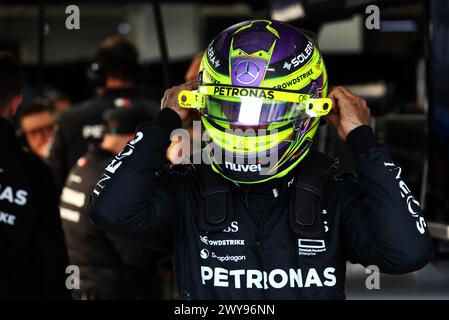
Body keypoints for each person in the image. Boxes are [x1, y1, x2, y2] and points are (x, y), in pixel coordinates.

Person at [88, 20, 433, 299]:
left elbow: (407, 252)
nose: (246, 126)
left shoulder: (333, 195)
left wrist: (362, 139)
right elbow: (110, 209)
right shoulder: (188, 192)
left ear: (312, 110)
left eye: (266, 110)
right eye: (232, 108)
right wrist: (165, 121)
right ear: (201, 103)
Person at [60, 107, 162, 299]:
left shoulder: (85, 163)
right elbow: (134, 253)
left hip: (82, 281)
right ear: (135, 140)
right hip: (110, 287)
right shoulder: (112, 177)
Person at [0, 52, 70, 299]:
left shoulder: (47, 173)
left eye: (48, 128)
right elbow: (51, 261)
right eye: (34, 132)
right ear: (15, 103)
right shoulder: (34, 174)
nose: (42, 137)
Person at [48, 36, 159, 191]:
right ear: (138, 72)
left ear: (97, 73)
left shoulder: (70, 118)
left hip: (81, 207)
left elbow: (53, 178)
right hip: (143, 209)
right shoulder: (158, 115)